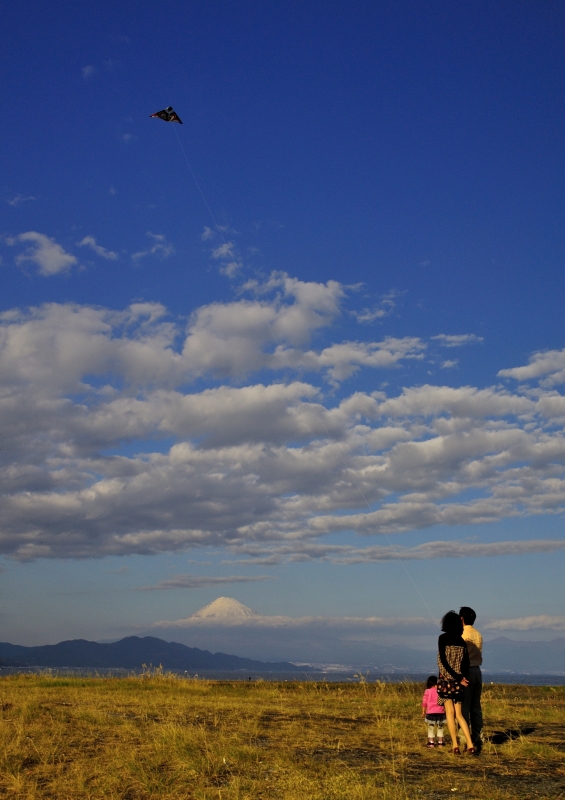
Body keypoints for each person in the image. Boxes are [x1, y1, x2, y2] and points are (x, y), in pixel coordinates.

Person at [437, 610, 475, 755]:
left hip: (446, 680)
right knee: (459, 714)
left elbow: (443, 661)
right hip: (459, 683)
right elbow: (466, 663)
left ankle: (455, 745)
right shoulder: (461, 641)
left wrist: (455, 677)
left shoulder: (442, 638)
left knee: (450, 713)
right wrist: (462, 678)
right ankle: (471, 745)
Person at [460, 606, 483, 752]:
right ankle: (477, 736)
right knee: (476, 706)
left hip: (466, 672)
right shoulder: (478, 634)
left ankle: (464, 738)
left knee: (464, 707)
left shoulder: (462, 634)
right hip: (477, 671)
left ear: (461, 619)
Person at [421, 675, 446, 748]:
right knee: (440, 727)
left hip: (430, 712)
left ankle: (431, 742)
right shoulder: (440, 690)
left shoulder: (427, 691)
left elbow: (424, 702)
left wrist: (423, 711)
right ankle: (440, 742)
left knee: (430, 727)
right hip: (440, 712)